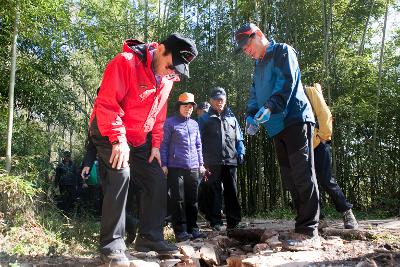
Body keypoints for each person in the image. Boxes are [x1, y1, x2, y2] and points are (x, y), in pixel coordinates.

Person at [88, 33, 198, 266]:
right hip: (108, 129)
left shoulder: (167, 80)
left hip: (138, 137)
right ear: (160, 49)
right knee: (121, 173)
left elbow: (158, 117)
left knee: (156, 178)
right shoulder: (125, 62)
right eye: (170, 66)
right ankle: (111, 245)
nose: (171, 72)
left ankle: (149, 237)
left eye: (176, 70)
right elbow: (107, 103)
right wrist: (118, 140)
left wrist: (156, 146)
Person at [234, 23, 320, 251]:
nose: (247, 51)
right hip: (276, 128)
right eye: (243, 49)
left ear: (259, 35)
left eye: (248, 44)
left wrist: (271, 106)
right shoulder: (258, 66)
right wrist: (251, 115)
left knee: (302, 173)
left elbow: (287, 82)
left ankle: (310, 231)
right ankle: (301, 225)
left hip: (295, 119)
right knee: (289, 177)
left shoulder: (283, 51)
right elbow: (254, 92)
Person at [305, 83, 358, 230]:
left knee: (326, 180)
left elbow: (324, 113)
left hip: (318, 144)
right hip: (301, 148)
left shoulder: (308, 91)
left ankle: (347, 212)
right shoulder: (284, 96)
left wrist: (323, 137)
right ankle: (318, 218)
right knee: (308, 183)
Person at [160, 92, 206, 242]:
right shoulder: (170, 123)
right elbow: (164, 144)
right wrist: (164, 164)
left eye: (191, 106)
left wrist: (201, 163)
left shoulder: (194, 124)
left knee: (192, 200)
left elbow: (198, 145)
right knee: (177, 199)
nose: (188, 109)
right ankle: (180, 231)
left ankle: (193, 228)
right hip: (175, 166)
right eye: (185, 106)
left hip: (193, 167)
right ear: (179, 106)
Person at [198, 87, 245, 231]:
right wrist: (200, 161)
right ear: (210, 101)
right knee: (214, 191)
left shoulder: (232, 117)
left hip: (230, 159)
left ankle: (234, 222)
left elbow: (239, 137)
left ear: (225, 100)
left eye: (222, 99)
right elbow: (197, 141)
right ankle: (215, 222)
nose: (219, 102)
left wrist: (241, 151)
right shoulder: (204, 119)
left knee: (231, 190)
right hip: (211, 161)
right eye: (216, 99)